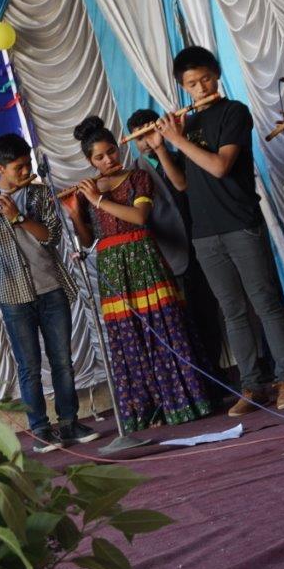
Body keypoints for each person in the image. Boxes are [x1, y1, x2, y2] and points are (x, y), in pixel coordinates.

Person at [156, 46, 284, 414]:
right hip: (204, 232)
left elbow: (220, 166)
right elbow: (182, 184)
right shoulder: (187, 124)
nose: (201, 87)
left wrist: (179, 141)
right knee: (232, 311)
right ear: (183, 87)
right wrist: (161, 148)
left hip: (240, 222)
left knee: (265, 303)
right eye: (192, 83)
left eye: (206, 78)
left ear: (216, 74)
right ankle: (252, 386)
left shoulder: (233, 112)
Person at [63, 117, 211, 431]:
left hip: (143, 258)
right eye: (99, 157)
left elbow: (139, 217)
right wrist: (76, 213)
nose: (108, 160)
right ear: (90, 162)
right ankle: (147, 410)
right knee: (128, 338)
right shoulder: (87, 191)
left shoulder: (138, 177)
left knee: (163, 328)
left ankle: (181, 403)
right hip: (112, 266)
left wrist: (98, 200)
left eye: (111, 152)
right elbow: (88, 241)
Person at [0, 134, 100, 451]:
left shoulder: (40, 195)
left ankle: (69, 423)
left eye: (27, 165)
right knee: (28, 368)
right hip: (13, 296)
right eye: (18, 167)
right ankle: (40, 430)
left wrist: (18, 217)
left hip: (51, 288)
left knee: (62, 361)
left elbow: (51, 237)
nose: (26, 171)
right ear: (0, 168)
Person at [126, 108, 228, 380]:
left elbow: (186, 188)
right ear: (133, 142)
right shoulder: (133, 175)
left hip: (199, 243)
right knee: (181, 320)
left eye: (151, 133)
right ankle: (195, 381)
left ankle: (215, 373)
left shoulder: (181, 155)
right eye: (140, 138)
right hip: (167, 255)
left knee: (207, 311)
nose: (147, 142)